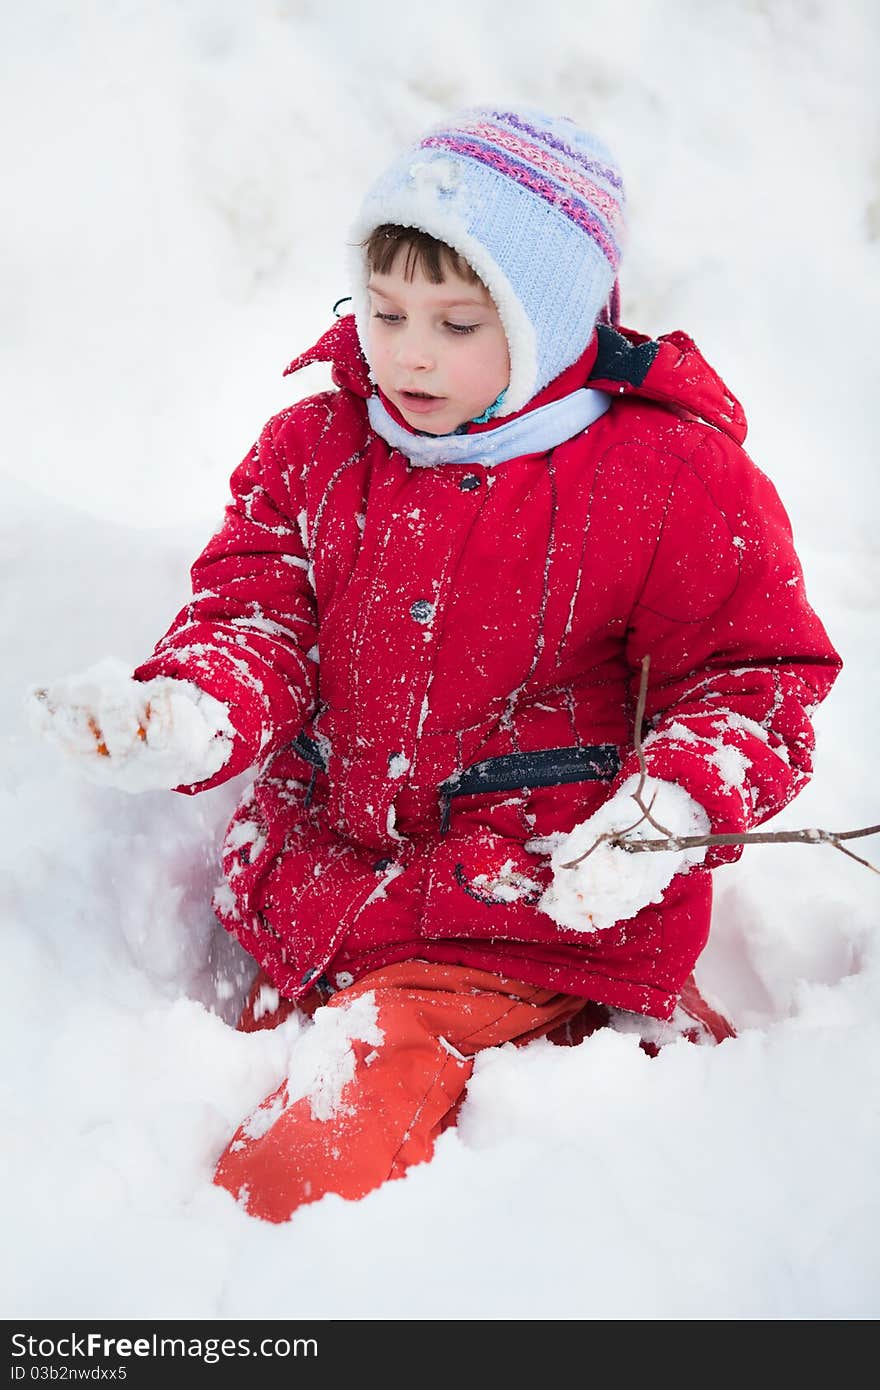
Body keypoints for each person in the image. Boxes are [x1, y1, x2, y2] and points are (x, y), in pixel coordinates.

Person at [30, 105, 842, 1223]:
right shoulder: (314, 451)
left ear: (552, 325)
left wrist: (670, 810)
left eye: (460, 322)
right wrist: (191, 708)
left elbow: (754, 679)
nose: (408, 350)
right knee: (150, 1090)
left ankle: (266, 1280)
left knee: (300, 1167)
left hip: (520, 898)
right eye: (386, 309)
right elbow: (256, 615)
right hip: (327, 882)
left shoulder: (665, 478)